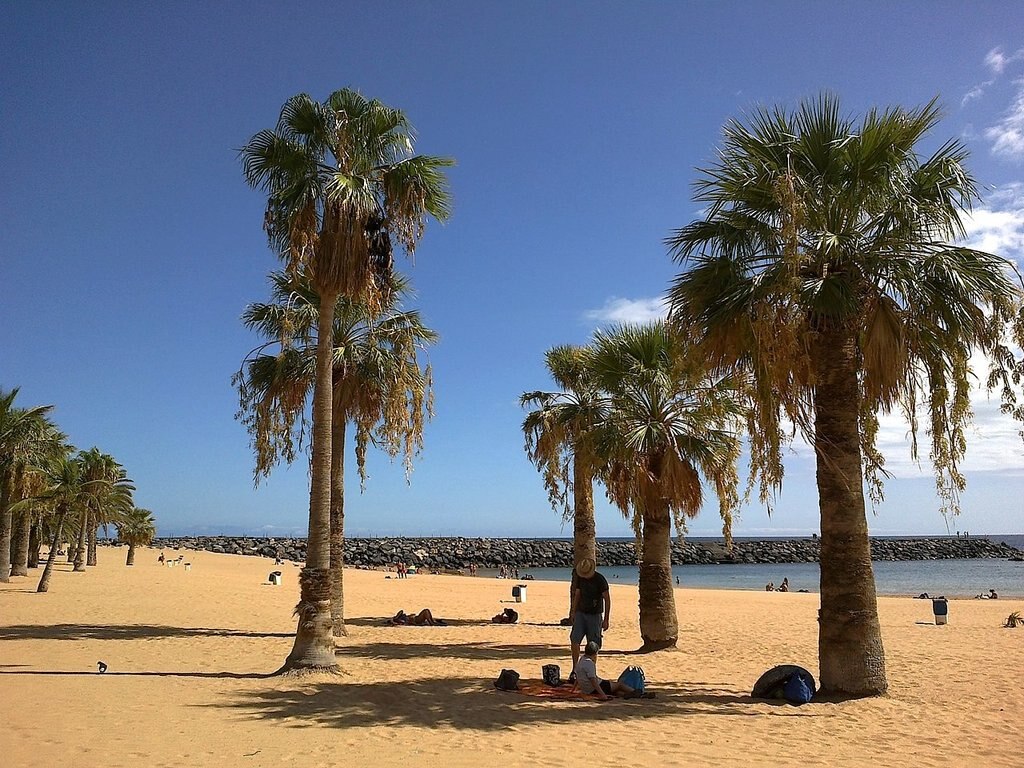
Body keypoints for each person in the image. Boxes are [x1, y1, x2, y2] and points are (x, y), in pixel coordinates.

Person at [569, 557, 610, 674]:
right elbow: (577, 595)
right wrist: (573, 611)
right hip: (580, 614)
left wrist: (606, 619)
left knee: (593, 644)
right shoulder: (580, 579)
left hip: (595, 615)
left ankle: (591, 670)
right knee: (575, 640)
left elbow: (607, 599)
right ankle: (575, 668)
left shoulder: (600, 580)